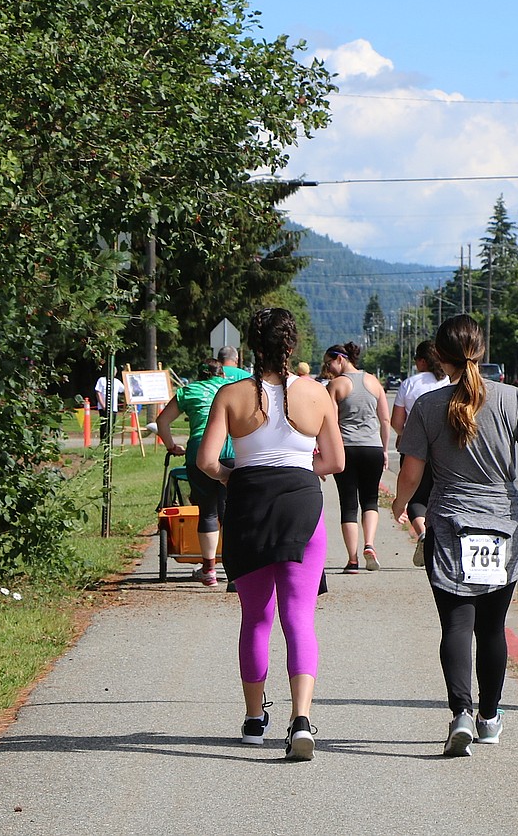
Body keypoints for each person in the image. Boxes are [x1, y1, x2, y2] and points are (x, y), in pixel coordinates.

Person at [392, 315, 518, 757]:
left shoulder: (427, 406)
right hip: (502, 523)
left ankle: (461, 713)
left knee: (456, 624)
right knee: (492, 627)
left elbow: (411, 472)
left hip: (450, 523)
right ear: (480, 352)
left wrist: (400, 504)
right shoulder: (512, 399)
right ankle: (489, 717)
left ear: (439, 357)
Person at [198, 307, 344, 761]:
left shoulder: (231, 394)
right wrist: (303, 470)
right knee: (298, 616)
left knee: (256, 617)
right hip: (302, 503)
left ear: (253, 347)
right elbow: (335, 462)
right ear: (291, 345)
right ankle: (301, 719)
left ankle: (254, 719)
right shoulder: (317, 394)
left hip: (249, 506)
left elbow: (206, 461)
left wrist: (233, 477)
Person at [156, 359, 234, 586]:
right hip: (229, 450)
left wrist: (171, 446)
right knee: (230, 512)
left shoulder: (187, 391)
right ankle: (235, 572)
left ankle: (209, 570)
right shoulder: (228, 389)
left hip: (199, 453)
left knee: (208, 511)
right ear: (221, 375)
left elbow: (162, 421)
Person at [323, 342, 390, 573]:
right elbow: (385, 419)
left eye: (329, 362)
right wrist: (383, 449)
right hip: (372, 448)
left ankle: (352, 560)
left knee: (348, 504)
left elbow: (329, 422)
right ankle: (369, 544)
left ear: (340, 359)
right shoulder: (373, 381)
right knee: (370, 500)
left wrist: (324, 452)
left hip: (347, 449)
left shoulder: (336, 385)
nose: (328, 368)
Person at [390, 340, 451, 567]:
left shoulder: (409, 384)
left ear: (422, 361)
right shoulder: (449, 380)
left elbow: (397, 422)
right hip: (446, 450)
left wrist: (404, 433)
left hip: (415, 447)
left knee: (417, 497)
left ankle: (423, 534)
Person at [93, 371, 126, 441]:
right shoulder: (101, 380)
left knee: (112, 425)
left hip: (113, 408)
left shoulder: (117, 382)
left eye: (114, 371)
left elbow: (124, 390)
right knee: (104, 425)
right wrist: (103, 405)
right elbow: (98, 393)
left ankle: (110, 441)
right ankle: (103, 441)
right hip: (103, 408)